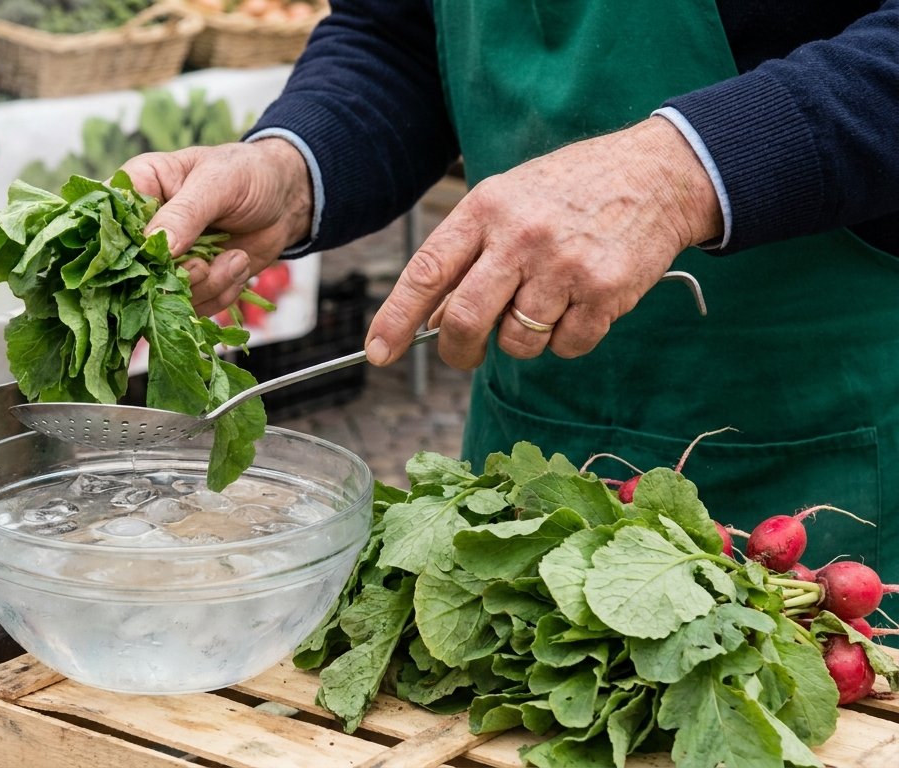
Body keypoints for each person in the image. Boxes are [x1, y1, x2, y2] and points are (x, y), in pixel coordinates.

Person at [120, 1, 899, 583]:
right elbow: (393, 36)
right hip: (534, 461)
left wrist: (677, 171)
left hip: (830, 454)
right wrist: (293, 167)